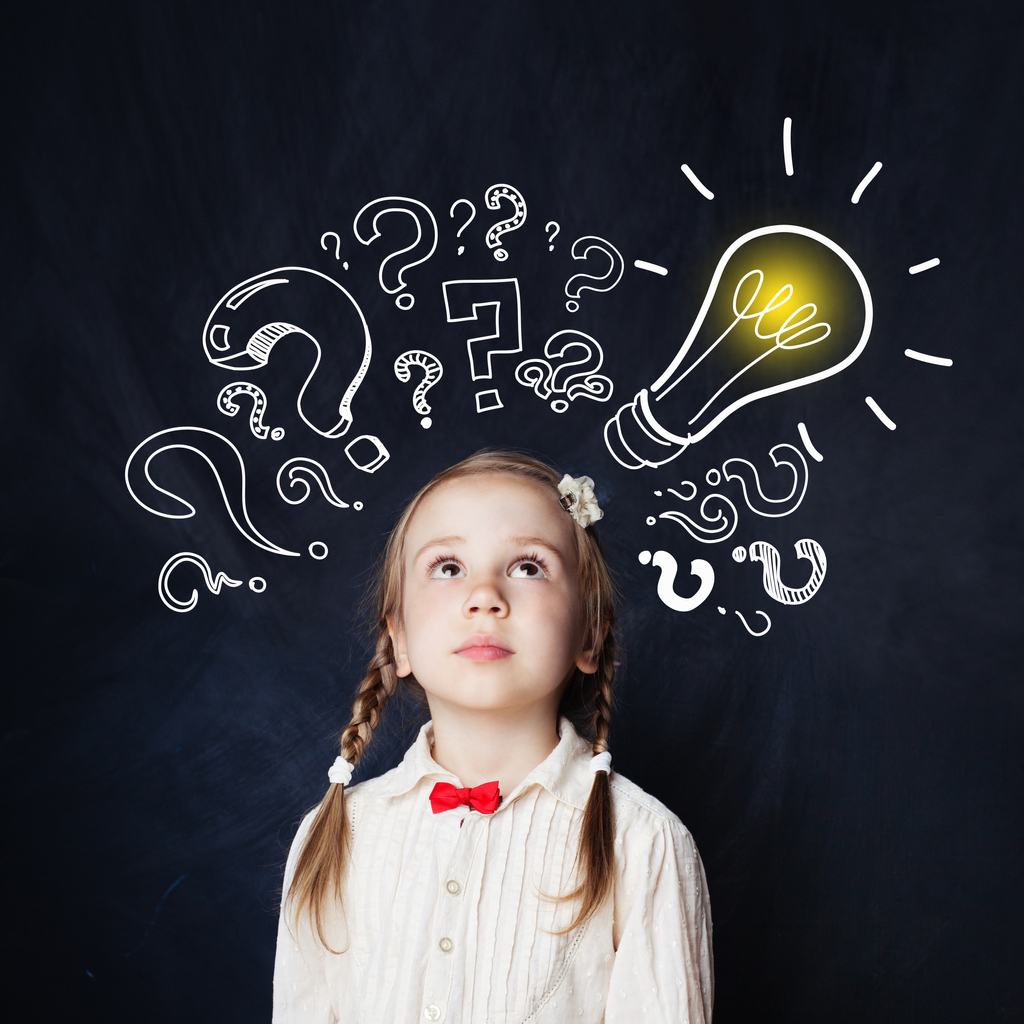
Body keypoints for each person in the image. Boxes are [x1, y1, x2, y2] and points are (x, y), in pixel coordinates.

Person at [273, 450, 713, 1023]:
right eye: (448, 567)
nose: (484, 596)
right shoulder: (334, 836)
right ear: (399, 638)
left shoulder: (644, 844)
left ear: (589, 635)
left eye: (528, 567)